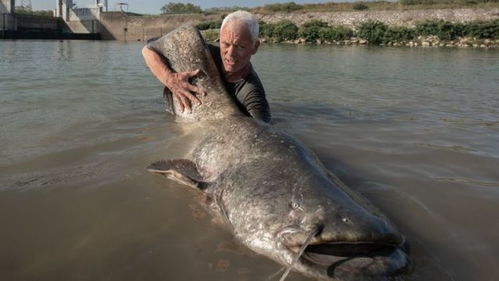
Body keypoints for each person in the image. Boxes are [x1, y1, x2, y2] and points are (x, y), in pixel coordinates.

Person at [142, 10, 271, 123]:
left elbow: (263, 132)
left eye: (240, 47)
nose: (230, 54)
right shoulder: (205, 53)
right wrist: (170, 79)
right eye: (225, 44)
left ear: (255, 47)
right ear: (219, 39)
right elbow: (147, 51)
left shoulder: (252, 94)